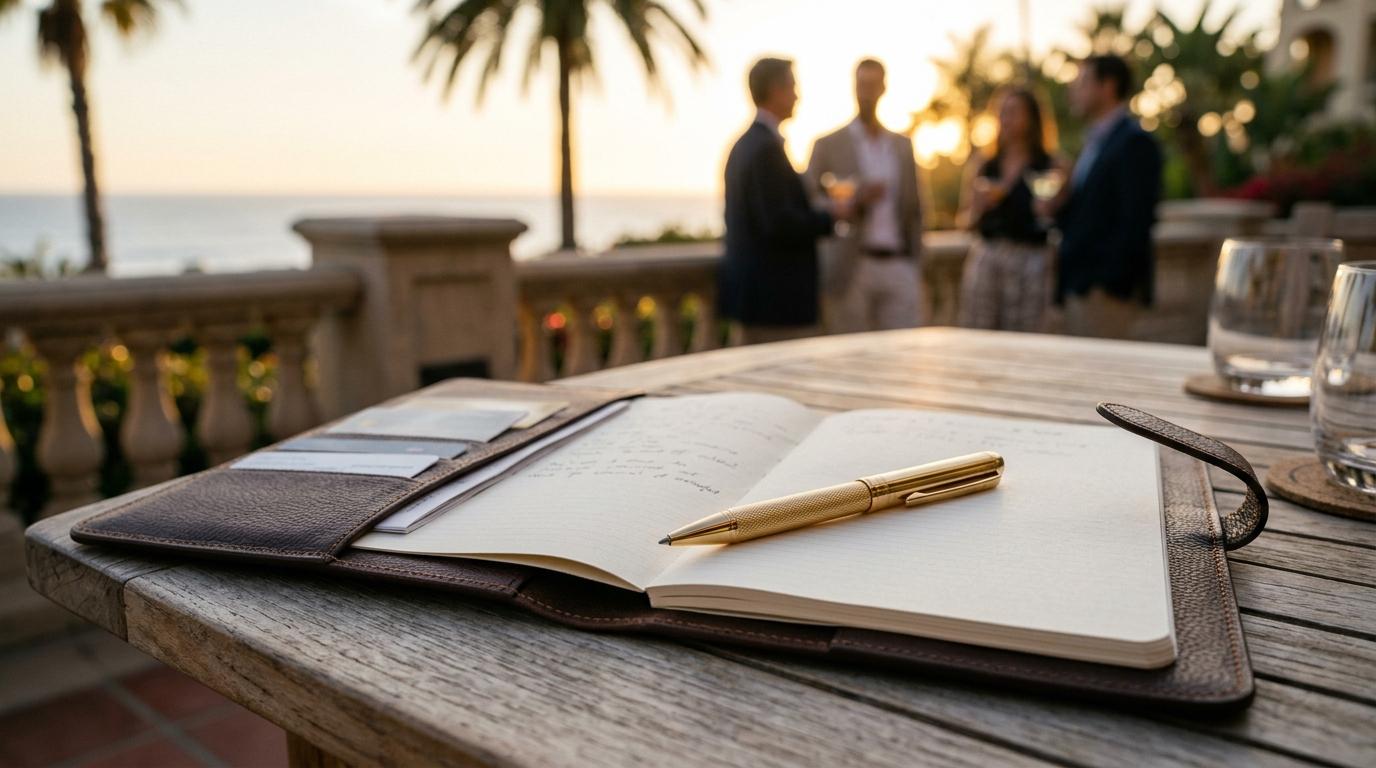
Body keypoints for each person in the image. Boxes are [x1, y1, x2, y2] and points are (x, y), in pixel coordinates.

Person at [719, 57, 847, 345]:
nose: (798, 95)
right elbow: (778, 223)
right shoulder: (765, 149)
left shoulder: (745, 145)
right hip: (775, 304)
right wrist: (832, 216)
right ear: (776, 90)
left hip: (759, 301)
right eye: (793, 86)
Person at [1039, 54, 1162, 339]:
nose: (1073, 91)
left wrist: (1104, 282)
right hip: (1080, 286)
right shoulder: (1096, 141)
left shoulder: (1134, 143)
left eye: (1082, 82)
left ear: (1107, 86)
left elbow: (1136, 221)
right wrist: (1057, 209)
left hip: (1105, 293)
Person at [805, 58, 925, 333]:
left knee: (903, 355)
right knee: (852, 360)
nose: (867, 91)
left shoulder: (902, 146)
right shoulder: (827, 144)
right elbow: (810, 199)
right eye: (862, 84)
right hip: (851, 267)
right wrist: (854, 200)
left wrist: (914, 265)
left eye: (873, 84)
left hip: (898, 265)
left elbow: (916, 208)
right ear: (853, 87)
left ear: (884, 88)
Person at [956, 86, 1066, 332]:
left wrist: (1049, 210)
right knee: (981, 332)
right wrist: (978, 209)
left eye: (1014, 112)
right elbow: (965, 222)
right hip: (988, 260)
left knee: (1027, 334)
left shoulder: (1052, 165)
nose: (1006, 119)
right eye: (1002, 112)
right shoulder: (984, 166)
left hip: (1032, 261)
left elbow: (1065, 217)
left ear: (1032, 118)